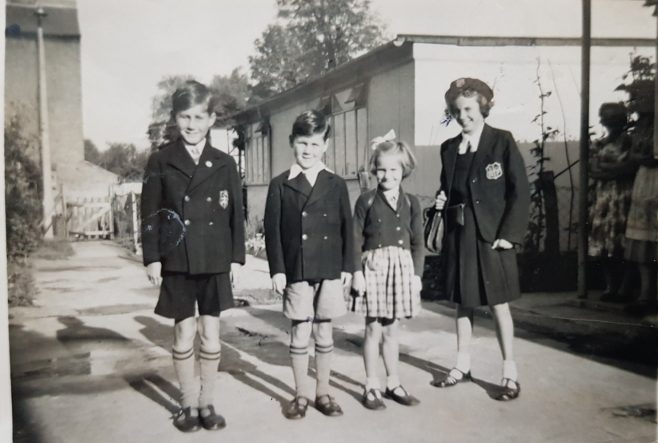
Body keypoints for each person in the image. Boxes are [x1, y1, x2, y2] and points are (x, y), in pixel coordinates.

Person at [141, 80, 245, 432]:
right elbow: (151, 213)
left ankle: (207, 403)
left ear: (211, 119)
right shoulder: (161, 160)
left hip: (214, 258)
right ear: (175, 118)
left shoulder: (225, 162)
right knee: (184, 333)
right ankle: (187, 404)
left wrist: (235, 258)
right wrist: (153, 257)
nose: (191, 124)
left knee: (211, 333)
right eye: (185, 116)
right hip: (178, 260)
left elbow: (236, 215)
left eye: (199, 116)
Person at [432, 78, 530, 401]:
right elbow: (448, 187)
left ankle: (510, 373)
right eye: (457, 110)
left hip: (492, 238)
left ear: (483, 107)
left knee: (498, 304)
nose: (463, 116)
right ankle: (462, 365)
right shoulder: (449, 148)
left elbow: (519, 192)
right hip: (461, 235)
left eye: (470, 109)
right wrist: (441, 200)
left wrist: (509, 235)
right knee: (463, 302)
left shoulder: (501, 142)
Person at [263, 110, 355, 419]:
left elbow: (347, 227)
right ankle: (301, 394)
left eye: (315, 145)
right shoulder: (280, 184)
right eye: (302, 143)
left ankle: (323, 392)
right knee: (300, 331)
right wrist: (277, 269)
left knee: (325, 333)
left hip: (328, 268)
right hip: (297, 269)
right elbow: (272, 230)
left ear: (326, 145)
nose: (308, 151)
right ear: (292, 142)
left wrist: (348, 267)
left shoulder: (336, 184)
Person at [351, 130, 424, 410]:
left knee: (392, 330)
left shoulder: (412, 202)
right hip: (374, 270)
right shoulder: (366, 201)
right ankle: (372, 384)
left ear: (404, 169)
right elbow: (355, 239)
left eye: (393, 169)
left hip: (401, 271)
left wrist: (417, 276)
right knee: (372, 329)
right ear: (374, 170)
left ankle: (393, 382)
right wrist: (357, 272)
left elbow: (418, 242)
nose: (387, 175)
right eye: (381, 169)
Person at [588, 103, 636, 302]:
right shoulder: (598, 144)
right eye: (606, 118)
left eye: (613, 117)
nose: (608, 122)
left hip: (625, 197)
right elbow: (593, 170)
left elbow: (630, 168)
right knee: (604, 243)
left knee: (625, 242)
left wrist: (607, 169)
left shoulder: (630, 142)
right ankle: (610, 287)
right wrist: (615, 168)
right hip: (604, 199)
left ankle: (625, 289)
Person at [623, 79, 658, 315]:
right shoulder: (641, 127)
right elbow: (634, 152)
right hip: (645, 180)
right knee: (644, 242)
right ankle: (646, 294)